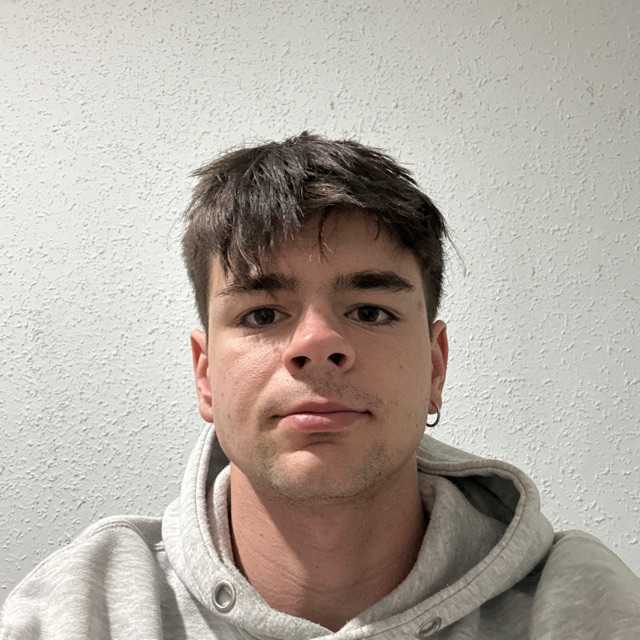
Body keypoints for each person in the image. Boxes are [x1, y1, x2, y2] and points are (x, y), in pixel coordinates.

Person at [2, 132, 639, 639]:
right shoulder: (77, 612)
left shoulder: (585, 608)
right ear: (205, 374)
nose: (317, 343)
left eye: (370, 311)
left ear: (435, 367)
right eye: (261, 315)